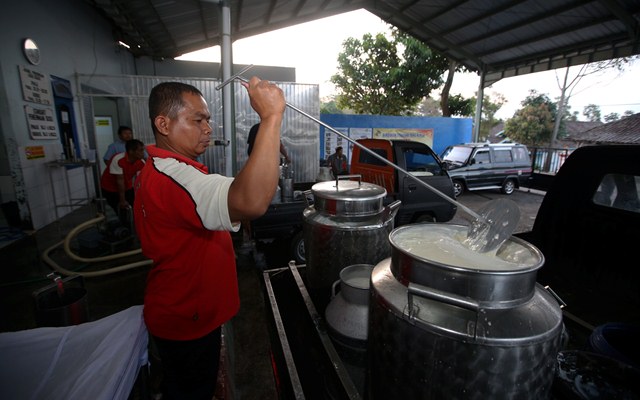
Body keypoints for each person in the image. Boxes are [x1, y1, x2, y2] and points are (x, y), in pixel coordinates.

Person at [133, 79, 285, 399]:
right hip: (187, 319)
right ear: (163, 124)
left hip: (186, 311)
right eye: (197, 120)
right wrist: (271, 118)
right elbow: (251, 201)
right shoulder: (174, 177)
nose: (207, 128)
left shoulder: (170, 168)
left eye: (208, 119)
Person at [100, 139, 145, 222]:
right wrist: (122, 200)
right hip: (110, 187)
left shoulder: (141, 162)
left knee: (135, 206)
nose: (143, 153)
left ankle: (135, 226)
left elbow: (140, 181)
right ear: (131, 152)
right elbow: (119, 181)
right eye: (140, 150)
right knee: (122, 210)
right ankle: (125, 228)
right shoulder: (118, 159)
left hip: (127, 185)